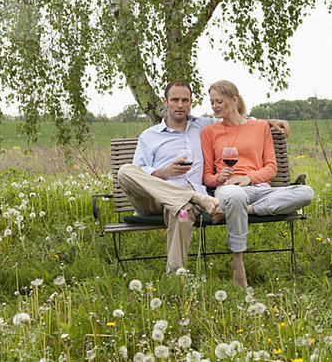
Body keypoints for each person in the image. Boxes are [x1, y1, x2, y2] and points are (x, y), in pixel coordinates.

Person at [117, 80, 292, 274]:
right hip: (154, 197)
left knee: (182, 210)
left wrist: (268, 122)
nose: (180, 105)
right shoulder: (149, 136)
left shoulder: (203, 126)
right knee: (125, 171)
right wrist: (164, 172)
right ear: (165, 102)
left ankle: (176, 275)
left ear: (191, 101)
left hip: (185, 202)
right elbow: (137, 173)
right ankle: (194, 198)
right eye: (175, 100)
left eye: (185, 100)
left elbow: (236, 119)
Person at [201, 80, 314, 288]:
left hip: (261, 189)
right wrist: (219, 178)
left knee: (306, 192)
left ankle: (241, 210)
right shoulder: (209, 132)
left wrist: (250, 178)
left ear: (234, 100)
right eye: (212, 102)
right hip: (229, 190)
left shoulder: (260, 127)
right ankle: (238, 266)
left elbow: (272, 168)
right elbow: (207, 177)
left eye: (219, 101)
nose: (215, 106)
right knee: (234, 197)